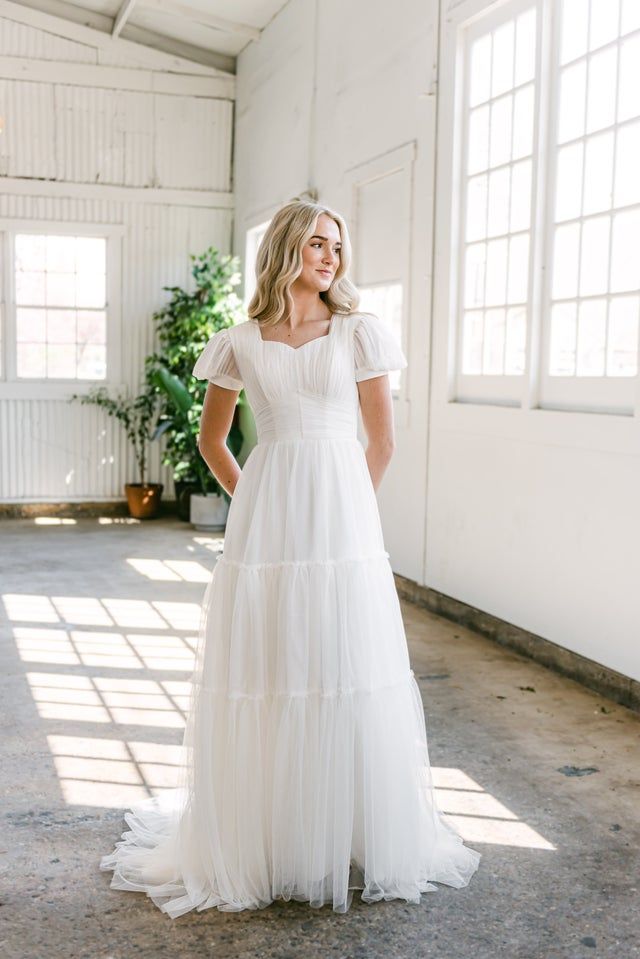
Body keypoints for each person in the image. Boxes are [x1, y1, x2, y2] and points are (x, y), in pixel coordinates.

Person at [99, 198, 481, 916]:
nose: (330, 257)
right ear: (283, 251)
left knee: (343, 664)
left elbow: (383, 441)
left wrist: (349, 518)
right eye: (315, 244)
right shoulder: (239, 340)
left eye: (336, 245)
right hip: (266, 524)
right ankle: (271, 832)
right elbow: (214, 442)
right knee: (271, 664)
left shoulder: (360, 333)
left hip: (344, 527)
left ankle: (346, 829)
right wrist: (253, 503)